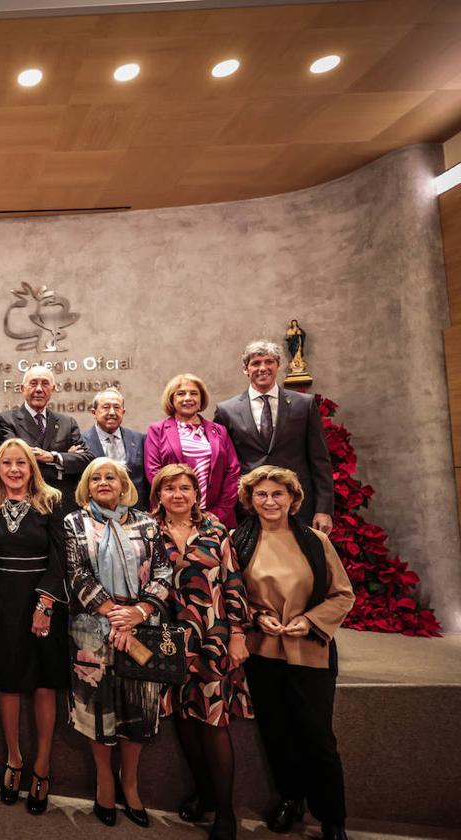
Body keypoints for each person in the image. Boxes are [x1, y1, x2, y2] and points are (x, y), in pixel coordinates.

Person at [234, 466, 354, 840]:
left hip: (310, 650)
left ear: (292, 499)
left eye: (277, 494)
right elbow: (232, 594)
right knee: (277, 732)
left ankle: (332, 818)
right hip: (263, 651)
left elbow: (343, 594)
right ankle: (290, 799)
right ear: (250, 501)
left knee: (318, 737)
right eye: (261, 495)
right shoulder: (239, 540)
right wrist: (255, 616)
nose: (269, 501)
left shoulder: (316, 541)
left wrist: (310, 620)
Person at [64, 457, 173, 828]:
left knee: (138, 710)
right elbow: (76, 573)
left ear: (124, 483)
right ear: (87, 486)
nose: (104, 482)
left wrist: (138, 613)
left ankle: (131, 781)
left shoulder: (145, 523)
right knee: (99, 709)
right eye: (96, 478)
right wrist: (114, 613)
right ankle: (104, 780)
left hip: (141, 629)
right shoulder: (75, 522)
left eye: (111, 476)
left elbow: (163, 572)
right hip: (94, 630)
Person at [152, 464, 252, 840]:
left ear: (196, 494)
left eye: (184, 488)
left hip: (212, 636)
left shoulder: (216, 531)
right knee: (183, 719)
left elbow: (233, 582)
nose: (177, 494)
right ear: (158, 494)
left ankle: (226, 814)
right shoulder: (148, 532)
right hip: (167, 639)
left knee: (213, 722)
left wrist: (239, 632)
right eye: (169, 488)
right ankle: (204, 793)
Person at [0, 438, 69, 816]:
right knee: (7, 682)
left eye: (21, 463)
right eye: (7, 464)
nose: (15, 470)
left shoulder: (50, 500)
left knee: (42, 684)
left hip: (41, 602)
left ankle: (42, 765)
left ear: (31, 467)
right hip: (1, 604)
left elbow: (61, 559)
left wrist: (46, 603)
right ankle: (14, 758)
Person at [214, 340, 334, 533]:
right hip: (248, 508)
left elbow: (320, 460)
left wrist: (323, 509)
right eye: (256, 363)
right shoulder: (226, 411)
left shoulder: (304, 405)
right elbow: (224, 465)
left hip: (297, 506)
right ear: (245, 369)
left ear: (278, 366)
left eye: (269, 362)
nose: (263, 368)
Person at [145, 373, 241, 527]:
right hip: (172, 516)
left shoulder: (220, 430)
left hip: (216, 518)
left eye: (194, 393)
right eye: (181, 393)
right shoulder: (157, 430)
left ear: (201, 399)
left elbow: (233, 473)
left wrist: (219, 512)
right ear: (172, 399)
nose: (188, 398)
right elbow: (154, 473)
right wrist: (179, 509)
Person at [0, 365, 91, 514]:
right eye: (33, 383)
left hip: (62, 503)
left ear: (53, 389)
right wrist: (66, 457)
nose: (39, 389)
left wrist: (53, 457)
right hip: (24, 502)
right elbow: (15, 457)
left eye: (45, 384)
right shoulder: (6, 420)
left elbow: (85, 459)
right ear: (22, 388)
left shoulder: (67, 422)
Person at [82, 388, 148, 510]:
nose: (112, 412)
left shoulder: (140, 440)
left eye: (117, 407)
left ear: (123, 412)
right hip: (94, 514)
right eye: (106, 407)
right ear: (94, 412)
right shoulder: (80, 442)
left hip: (135, 512)